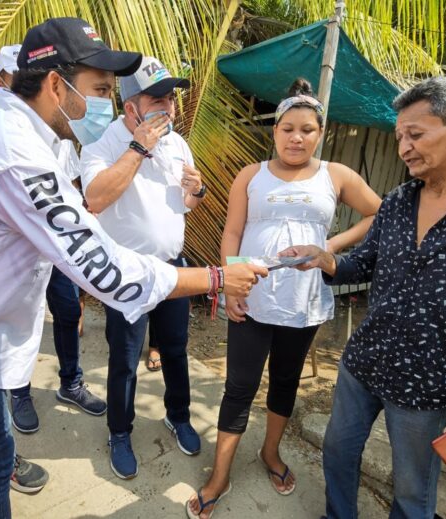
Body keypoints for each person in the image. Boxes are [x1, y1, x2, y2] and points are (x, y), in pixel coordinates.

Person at [0, 18, 266, 519]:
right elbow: (101, 264)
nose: (106, 105)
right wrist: (216, 278)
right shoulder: (13, 149)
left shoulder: (8, 129)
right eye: (100, 91)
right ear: (54, 85)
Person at [281, 76, 446, 519]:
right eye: (400, 136)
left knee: (413, 492)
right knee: (338, 452)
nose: (404, 147)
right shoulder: (398, 201)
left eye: (416, 134)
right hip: (363, 363)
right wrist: (325, 259)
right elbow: (364, 263)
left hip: (428, 385)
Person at [186, 78, 382, 518]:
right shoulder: (250, 176)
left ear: (320, 133)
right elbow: (233, 231)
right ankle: (220, 474)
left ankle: (270, 454)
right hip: (252, 297)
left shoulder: (336, 174)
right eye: (288, 128)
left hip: (304, 302)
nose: (297, 137)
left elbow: (378, 212)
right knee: (239, 386)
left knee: (286, 381)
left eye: (307, 129)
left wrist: (330, 247)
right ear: (275, 132)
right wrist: (228, 285)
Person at [80, 55, 207, 480]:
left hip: (172, 269)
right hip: (128, 274)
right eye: (157, 99)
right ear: (129, 105)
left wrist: (197, 191)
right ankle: (119, 432)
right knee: (125, 357)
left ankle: (178, 415)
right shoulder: (102, 142)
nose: (169, 108)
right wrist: (138, 147)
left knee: (174, 349)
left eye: (171, 99)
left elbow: (184, 204)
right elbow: (95, 198)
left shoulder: (178, 142)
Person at [0, 43, 105, 435]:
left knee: (68, 312)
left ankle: (70, 382)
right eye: (11, 83)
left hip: (58, 247)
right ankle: (18, 390)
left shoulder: (59, 131)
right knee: (21, 320)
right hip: (20, 250)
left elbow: (70, 183)